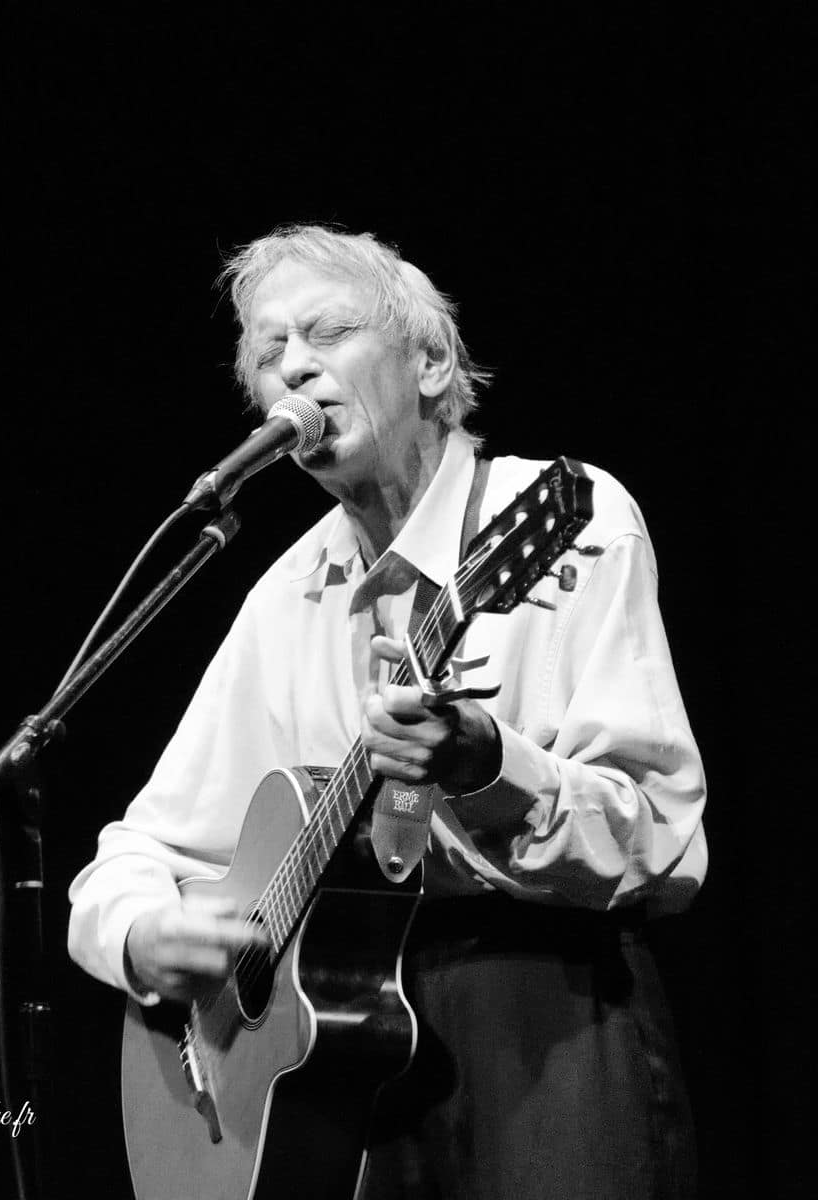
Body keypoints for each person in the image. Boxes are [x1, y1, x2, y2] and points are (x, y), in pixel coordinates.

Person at [67, 225, 706, 1199]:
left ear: (431, 360)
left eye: (327, 332)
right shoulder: (286, 597)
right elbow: (137, 856)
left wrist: (489, 765)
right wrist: (143, 938)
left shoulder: (564, 517)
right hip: (344, 1081)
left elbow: (657, 835)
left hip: (540, 1008)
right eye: (269, 353)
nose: (295, 370)